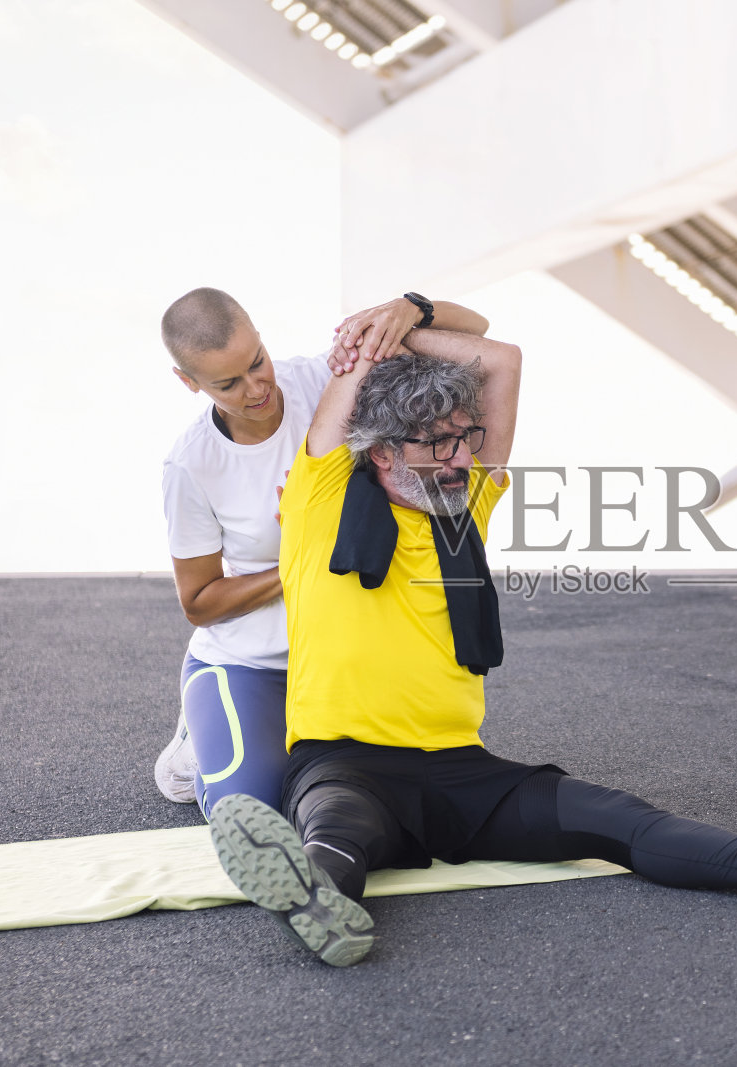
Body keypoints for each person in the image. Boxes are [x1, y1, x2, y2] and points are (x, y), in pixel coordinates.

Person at [208, 323, 737, 965]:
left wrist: (412, 311)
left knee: (617, 818)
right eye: (437, 443)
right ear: (384, 454)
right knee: (337, 832)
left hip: (463, 773)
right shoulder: (320, 501)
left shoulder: (465, 508)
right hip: (345, 762)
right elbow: (355, 383)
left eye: (466, 437)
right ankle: (316, 898)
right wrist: (370, 342)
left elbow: (502, 359)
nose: (459, 457)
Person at [153, 287, 488, 818]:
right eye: (227, 383)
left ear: (261, 340)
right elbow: (199, 601)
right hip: (257, 663)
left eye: (256, 362)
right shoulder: (191, 466)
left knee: (395, 797)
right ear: (189, 382)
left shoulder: (325, 380)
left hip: (351, 660)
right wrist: (303, 555)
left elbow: (477, 336)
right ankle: (201, 740)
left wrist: (412, 311)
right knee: (257, 807)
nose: (256, 387)